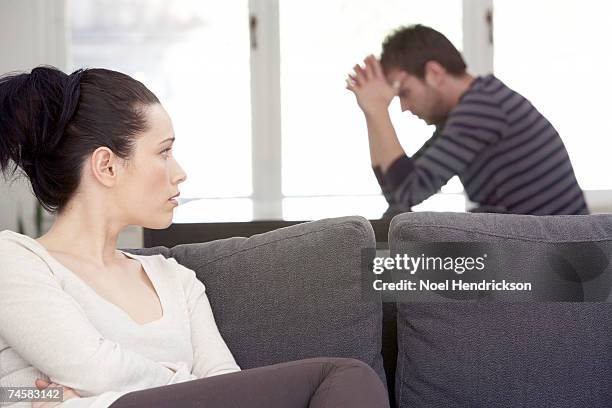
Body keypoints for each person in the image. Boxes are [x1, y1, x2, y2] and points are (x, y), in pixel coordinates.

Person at [0, 66, 389, 408]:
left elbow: (231, 391)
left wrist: (90, 401)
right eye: (164, 152)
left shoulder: (176, 279)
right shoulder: (16, 260)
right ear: (106, 165)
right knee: (342, 377)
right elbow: (82, 370)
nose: (179, 172)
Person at [346, 24, 588, 215]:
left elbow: (410, 190)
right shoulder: (471, 107)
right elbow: (397, 192)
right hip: (544, 253)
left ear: (434, 73)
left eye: (405, 93)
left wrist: (378, 109)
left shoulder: (482, 109)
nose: (404, 107)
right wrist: (371, 111)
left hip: (559, 264)